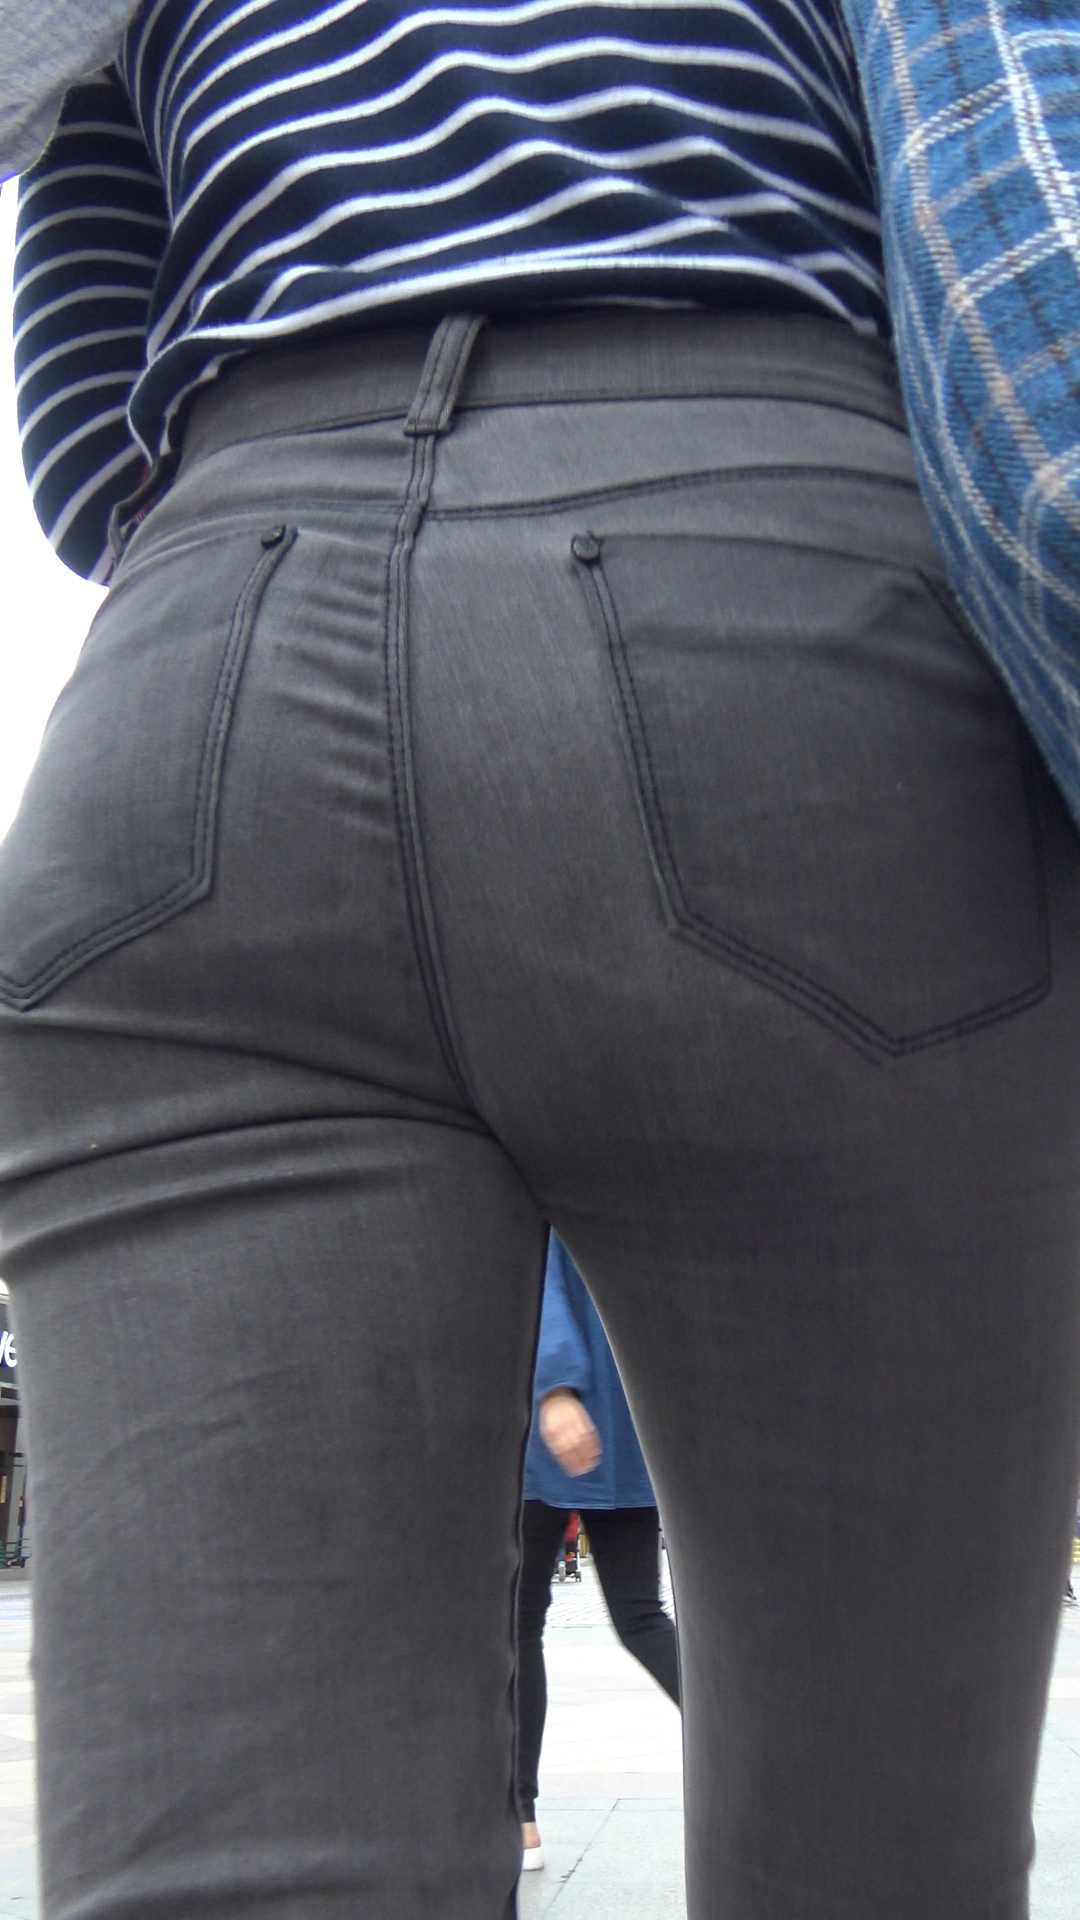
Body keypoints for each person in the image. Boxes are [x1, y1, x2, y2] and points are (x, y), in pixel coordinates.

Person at [1, 9, 1079, 1920]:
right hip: (773, 568)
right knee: (872, 1855)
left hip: (208, 652)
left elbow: (90, 411)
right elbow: (1016, 194)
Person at [518, 1235, 679, 1871]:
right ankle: (759, 1756)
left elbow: (544, 1284)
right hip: (627, 1421)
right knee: (641, 1618)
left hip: (552, 1423)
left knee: (521, 1624)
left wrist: (556, 1387)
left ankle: (520, 1816)